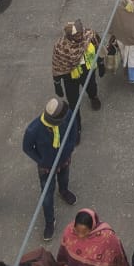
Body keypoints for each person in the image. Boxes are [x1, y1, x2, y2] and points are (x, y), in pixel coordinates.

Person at [22, 97, 79, 241]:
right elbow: (27, 148)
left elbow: (73, 130)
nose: (67, 116)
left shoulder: (68, 114)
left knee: (64, 178)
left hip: (64, 159)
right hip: (46, 168)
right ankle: (49, 221)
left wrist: (69, 148)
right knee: (46, 196)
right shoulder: (33, 129)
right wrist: (42, 161)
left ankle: (64, 191)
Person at [51, 20, 103, 133]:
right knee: (73, 104)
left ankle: (93, 97)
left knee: (92, 86)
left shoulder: (89, 35)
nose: (80, 36)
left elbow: (98, 46)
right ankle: (77, 128)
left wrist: (101, 62)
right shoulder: (61, 47)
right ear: (69, 36)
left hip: (88, 71)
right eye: (76, 35)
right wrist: (57, 83)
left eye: (81, 32)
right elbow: (57, 64)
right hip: (70, 76)